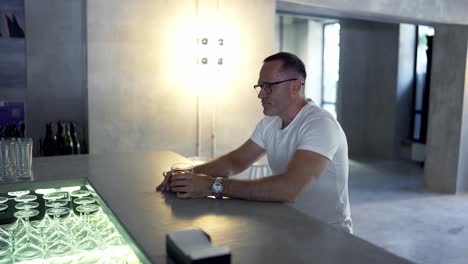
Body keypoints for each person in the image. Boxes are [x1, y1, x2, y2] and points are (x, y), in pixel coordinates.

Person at [157, 52, 352, 233]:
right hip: (289, 228)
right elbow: (236, 161)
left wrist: (212, 186)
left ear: (295, 87)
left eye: (269, 86)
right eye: (260, 86)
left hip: (328, 236)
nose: (261, 94)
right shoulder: (270, 122)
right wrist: (188, 175)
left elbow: (289, 188)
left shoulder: (320, 125)